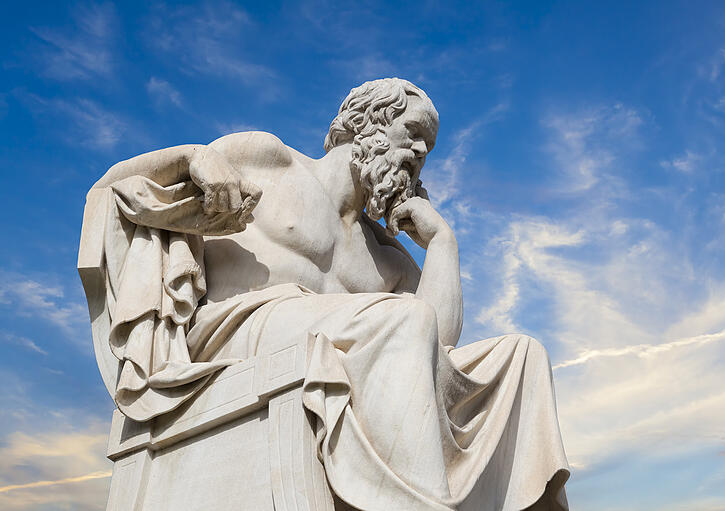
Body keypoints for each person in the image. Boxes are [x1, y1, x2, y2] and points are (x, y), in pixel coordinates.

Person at [90, 78, 569, 510]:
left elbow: (436, 348)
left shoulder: (388, 259)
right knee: (401, 318)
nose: (422, 150)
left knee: (521, 356)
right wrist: (193, 158)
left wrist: (443, 243)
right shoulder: (272, 159)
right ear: (367, 123)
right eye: (415, 130)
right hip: (234, 330)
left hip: (340, 334)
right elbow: (111, 188)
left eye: (431, 146)